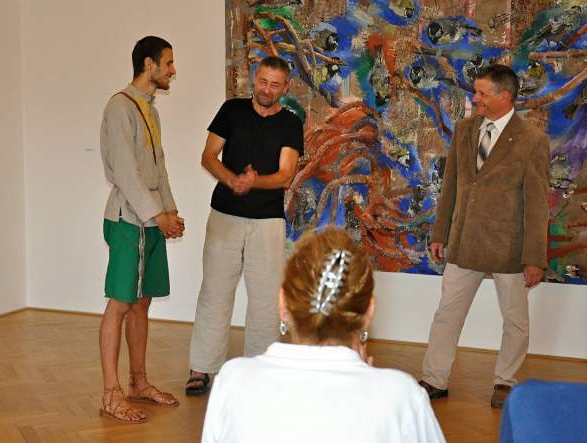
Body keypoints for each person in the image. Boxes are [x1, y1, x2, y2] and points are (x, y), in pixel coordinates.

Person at [201, 227, 445, 443]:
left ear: (282, 303)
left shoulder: (233, 381)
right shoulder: (401, 396)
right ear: (369, 310)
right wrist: (374, 383)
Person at [419, 64, 550, 408]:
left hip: (510, 247)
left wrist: (535, 258)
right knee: (447, 313)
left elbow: (537, 205)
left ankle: (505, 382)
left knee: (515, 321)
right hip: (463, 242)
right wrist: (440, 232)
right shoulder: (464, 130)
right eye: (475, 92)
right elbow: (450, 187)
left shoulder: (532, 140)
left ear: (504, 96)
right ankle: (434, 379)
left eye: (481, 93)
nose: (474, 98)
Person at [185, 56, 304, 395]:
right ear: (255, 78)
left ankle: (260, 370)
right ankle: (201, 368)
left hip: (267, 221)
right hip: (224, 216)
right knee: (214, 293)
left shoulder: (291, 122)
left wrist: (253, 183)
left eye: (275, 84)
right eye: (263, 81)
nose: (267, 89)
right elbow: (208, 156)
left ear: (285, 87)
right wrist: (232, 180)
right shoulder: (231, 110)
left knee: (266, 299)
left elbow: (285, 174)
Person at [98, 36, 185, 423]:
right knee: (120, 304)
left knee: (142, 302)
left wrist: (170, 211)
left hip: (150, 221)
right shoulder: (120, 106)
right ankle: (110, 394)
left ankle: (138, 383)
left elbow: (158, 167)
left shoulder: (150, 110)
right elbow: (126, 174)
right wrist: (157, 216)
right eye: (168, 63)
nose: (173, 70)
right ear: (149, 64)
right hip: (127, 221)